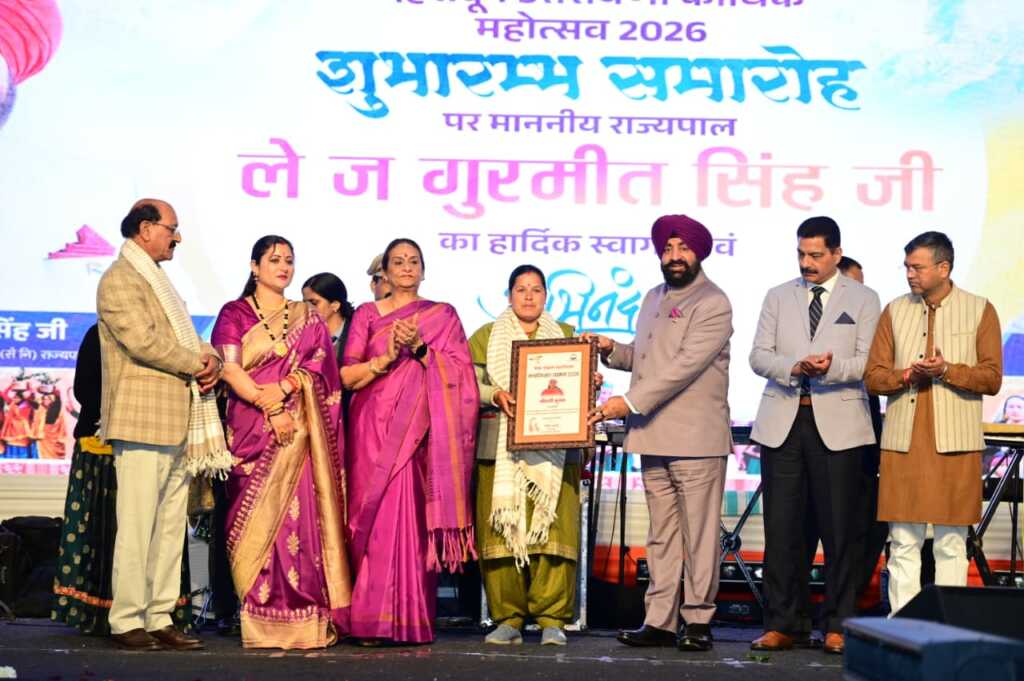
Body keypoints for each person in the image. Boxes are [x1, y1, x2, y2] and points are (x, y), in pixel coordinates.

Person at [586, 214, 733, 653]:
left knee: (698, 536)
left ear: (698, 253)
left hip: (695, 438)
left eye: (683, 248)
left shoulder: (714, 302)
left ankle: (698, 620)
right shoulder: (653, 296)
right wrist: (613, 351)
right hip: (653, 434)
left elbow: (682, 367)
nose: (674, 256)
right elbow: (649, 359)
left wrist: (627, 402)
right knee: (662, 535)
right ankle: (660, 621)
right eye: (668, 249)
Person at [96, 198, 229, 651]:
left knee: (170, 528)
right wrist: (196, 362)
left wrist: (212, 358)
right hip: (141, 420)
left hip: (177, 421)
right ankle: (127, 619)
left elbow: (185, 337)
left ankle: (159, 616)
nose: (178, 237)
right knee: (137, 526)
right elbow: (143, 341)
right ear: (146, 229)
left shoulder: (159, 282)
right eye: (172, 228)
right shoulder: (120, 279)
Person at [212, 235, 353, 649]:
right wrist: (269, 405)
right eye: (274, 260)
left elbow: (321, 368)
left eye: (289, 260)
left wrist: (289, 386)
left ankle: (303, 618)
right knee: (250, 521)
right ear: (254, 267)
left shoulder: (308, 317)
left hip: (298, 430)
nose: (284, 267)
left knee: (299, 522)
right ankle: (259, 617)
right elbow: (230, 369)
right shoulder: (234, 313)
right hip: (252, 426)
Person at [749, 216, 880, 655]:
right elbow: (758, 356)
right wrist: (793, 366)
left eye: (816, 255)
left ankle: (838, 624)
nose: (807, 263)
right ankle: (784, 623)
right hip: (784, 421)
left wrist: (830, 368)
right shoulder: (778, 295)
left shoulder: (864, 298)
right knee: (782, 528)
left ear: (837, 254)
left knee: (841, 530)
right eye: (801, 254)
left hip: (840, 425)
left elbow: (868, 362)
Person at [342, 238, 478, 645]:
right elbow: (346, 376)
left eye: (413, 261)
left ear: (423, 270)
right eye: (398, 261)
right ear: (384, 271)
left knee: (409, 522)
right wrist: (385, 358)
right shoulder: (367, 314)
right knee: (372, 522)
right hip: (371, 428)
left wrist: (421, 350)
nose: (406, 267)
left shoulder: (442, 316)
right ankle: (369, 621)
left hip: (416, 433)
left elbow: (462, 377)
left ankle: (408, 621)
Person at [865, 231, 1002, 613]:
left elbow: (992, 378)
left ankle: (947, 628)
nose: (910, 274)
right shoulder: (894, 310)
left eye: (918, 267)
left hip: (955, 443)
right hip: (903, 443)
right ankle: (902, 627)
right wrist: (907, 375)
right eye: (907, 267)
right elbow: (873, 377)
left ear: (944, 268)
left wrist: (945, 370)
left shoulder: (979, 309)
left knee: (951, 543)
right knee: (902, 542)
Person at [52, 324, 193, 635]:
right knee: (107, 531)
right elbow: (84, 390)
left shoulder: (170, 337)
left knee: (156, 531)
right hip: (102, 444)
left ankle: (157, 615)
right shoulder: (101, 334)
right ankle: (106, 615)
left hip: (158, 440)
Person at [469, 264, 578, 647]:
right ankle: (508, 618)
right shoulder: (485, 337)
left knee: (554, 532)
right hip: (498, 448)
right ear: (509, 295)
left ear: (546, 295)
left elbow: (577, 382)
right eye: (521, 289)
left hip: (555, 448)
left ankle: (552, 619)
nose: (529, 296)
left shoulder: (566, 335)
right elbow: (468, 385)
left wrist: (589, 383)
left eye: (536, 289)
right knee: (502, 530)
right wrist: (494, 394)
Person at [837, 255, 888, 602]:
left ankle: (849, 603)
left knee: (871, 524)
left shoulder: (872, 320)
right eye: (856, 285)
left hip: (867, 442)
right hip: (832, 437)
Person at [302, 272, 356, 418]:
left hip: (351, 414)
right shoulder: (301, 336)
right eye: (304, 303)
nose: (307, 308)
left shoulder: (357, 334)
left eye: (314, 303)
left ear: (335, 305)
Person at [1, 381, 39, 458]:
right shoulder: (12, 404)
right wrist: (11, 386)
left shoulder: (28, 405)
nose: (14, 399)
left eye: (16, 397)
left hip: (23, 431)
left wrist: (29, 387)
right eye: (14, 397)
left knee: (23, 448)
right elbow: (4, 395)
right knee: (12, 446)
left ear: (21, 398)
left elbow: (32, 396)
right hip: (12, 431)